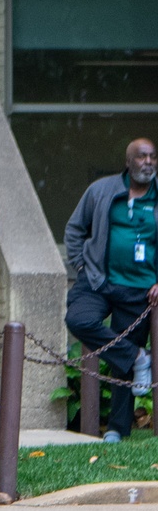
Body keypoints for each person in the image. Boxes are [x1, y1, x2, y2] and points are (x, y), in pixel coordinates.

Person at [64, 137, 158, 442]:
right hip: (97, 282)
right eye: (142, 157)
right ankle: (137, 357)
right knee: (78, 319)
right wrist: (81, 265)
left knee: (122, 367)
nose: (148, 162)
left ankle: (117, 428)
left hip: (140, 289)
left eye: (153, 157)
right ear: (128, 162)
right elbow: (75, 228)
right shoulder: (101, 190)